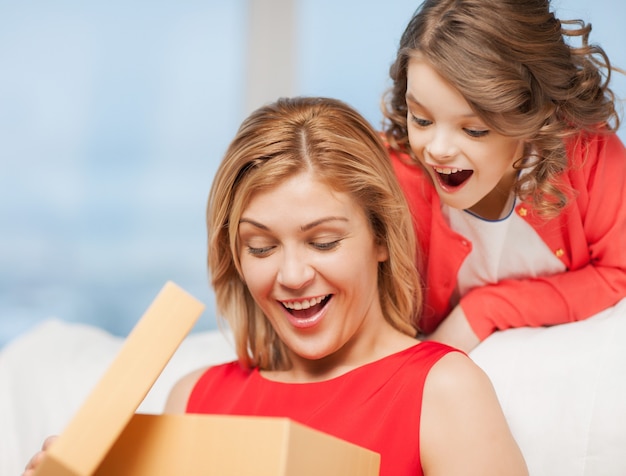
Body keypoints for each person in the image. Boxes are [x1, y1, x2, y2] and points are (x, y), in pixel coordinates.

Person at [24, 97, 527, 476]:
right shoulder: (194, 397)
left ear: (380, 238)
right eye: (261, 248)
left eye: (324, 242)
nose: (290, 276)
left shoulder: (443, 390)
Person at [382, 0, 626, 352]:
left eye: (474, 130)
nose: (437, 149)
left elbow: (619, 271)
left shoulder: (588, 151)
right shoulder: (388, 179)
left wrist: (485, 310)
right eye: (421, 119)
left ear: (535, 117)